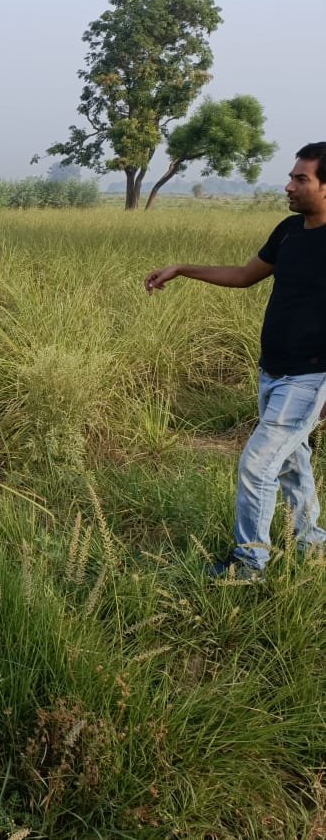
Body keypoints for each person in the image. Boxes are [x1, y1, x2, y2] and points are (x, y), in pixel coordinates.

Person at [145, 143, 326, 580]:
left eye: (301, 179)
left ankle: (248, 565)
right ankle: (311, 544)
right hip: (274, 370)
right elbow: (245, 276)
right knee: (291, 463)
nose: (289, 186)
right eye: (292, 177)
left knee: (257, 465)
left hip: (309, 376)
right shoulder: (288, 231)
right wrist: (182, 268)